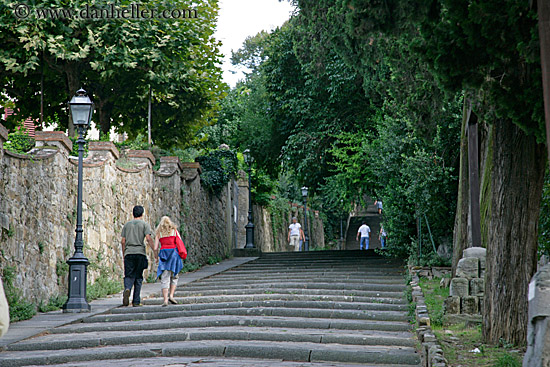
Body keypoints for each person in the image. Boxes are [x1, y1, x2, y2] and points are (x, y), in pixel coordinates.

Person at [121, 205, 155, 307]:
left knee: (128, 274)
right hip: (140, 253)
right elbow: (148, 238)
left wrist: (124, 253)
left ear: (133, 213)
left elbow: (123, 241)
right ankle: (136, 301)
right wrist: (155, 250)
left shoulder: (127, 225)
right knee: (138, 277)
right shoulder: (144, 224)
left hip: (129, 253)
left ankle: (127, 288)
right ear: (142, 214)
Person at [153, 216, 183, 307]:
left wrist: (156, 257)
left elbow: (155, 247)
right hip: (174, 255)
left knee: (165, 277)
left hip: (164, 255)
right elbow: (180, 243)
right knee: (174, 276)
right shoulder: (174, 231)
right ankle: (171, 295)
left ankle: (165, 299)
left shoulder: (159, 233)